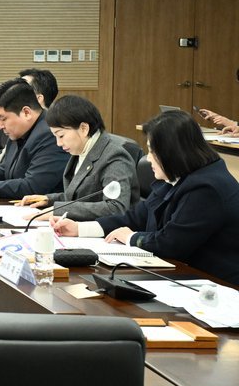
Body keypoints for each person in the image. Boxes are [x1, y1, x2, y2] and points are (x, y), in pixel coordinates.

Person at [53, 110, 239, 286]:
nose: (148, 158)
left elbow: (171, 244)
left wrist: (132, 238)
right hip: (181, 276)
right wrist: (80, 228)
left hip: (215, 285)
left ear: (172, 152)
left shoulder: (206, 188)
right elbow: (136, 217)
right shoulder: (180, 174)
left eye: (152, 151)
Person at [17, 95, 136, 220]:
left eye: (61, 136)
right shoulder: (82, 150)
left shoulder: (114, 157)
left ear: (84, 128)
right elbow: (81, 196)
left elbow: (116, 208)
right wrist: (49, 199)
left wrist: (58, 210)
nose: (58, 143)